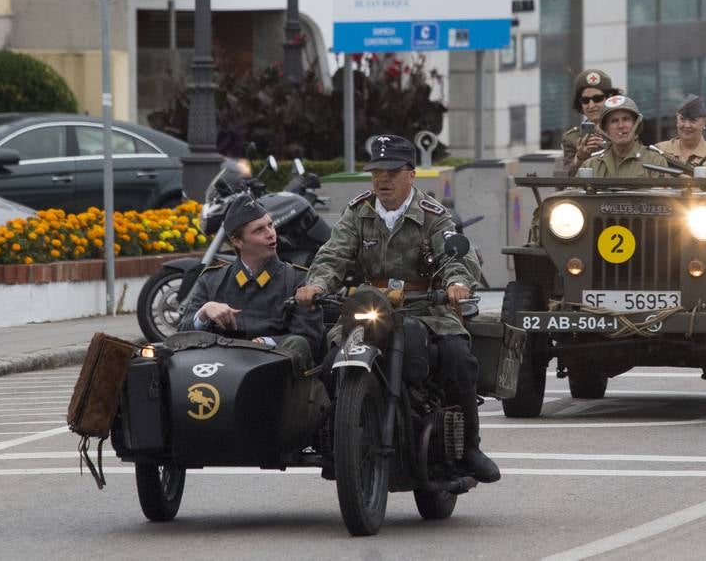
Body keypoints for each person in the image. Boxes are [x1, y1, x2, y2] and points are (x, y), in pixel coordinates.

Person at [294, 135, 500, 484]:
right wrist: (317, 284)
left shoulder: (434, 215)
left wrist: (456, 284)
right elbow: (333, 253)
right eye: (376, 172)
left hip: (426, 310)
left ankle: (468, 448)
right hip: (369, 306)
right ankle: (337, 444)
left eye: (391, 171)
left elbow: (457, 256)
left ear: (411, 175)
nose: (382, 180)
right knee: (330, 361)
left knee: (457, 357)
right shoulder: (359, 212)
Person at [179, 196, 324, 367]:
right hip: (221, 375)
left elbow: (309, 341)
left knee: (296, 343)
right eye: (259, 230)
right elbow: (181, 336)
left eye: (270, 225)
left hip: (278, 376)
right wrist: (203, 312)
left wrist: (267, 344)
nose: (270, 234)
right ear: (237, 241)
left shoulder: (298, 280)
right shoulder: (212, 280)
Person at [583, 95, 671, 178]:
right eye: (614, 121)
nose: (621, 125)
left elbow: (663, 194)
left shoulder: (655, 161)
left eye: (626, 119)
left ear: (636, 124)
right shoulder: (591, 165)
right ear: (605, 129)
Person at [556, 68, 623, 176]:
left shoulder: (623, 129)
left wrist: (607, 143)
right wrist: (579, 157)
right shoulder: (572, 138)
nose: (591, 105)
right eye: (585, 100)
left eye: (598, 99)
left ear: (609, 98)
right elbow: (564, 180)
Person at [654, 94, 706, 167]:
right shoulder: (660, 150)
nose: (687, 125)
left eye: (693, 120)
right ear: (677, 121)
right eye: (682, 119)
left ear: (704, 122)